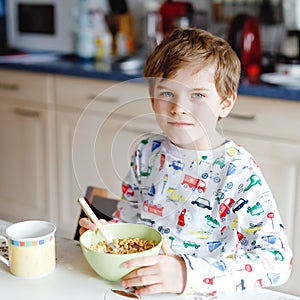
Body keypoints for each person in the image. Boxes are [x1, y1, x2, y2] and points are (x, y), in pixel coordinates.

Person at [79, 28, 292, 297]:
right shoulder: (146, 152)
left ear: (225, 104)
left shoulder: (237, 170)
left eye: (198, 96)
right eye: (167, 93)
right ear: (151, 94)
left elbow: (278, 261)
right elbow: (132, 219)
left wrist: (185, 274)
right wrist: (111, 234)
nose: (179, 108)